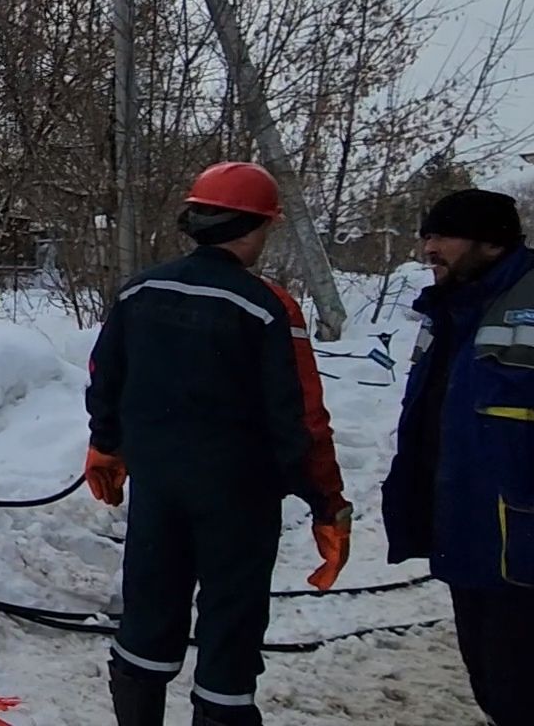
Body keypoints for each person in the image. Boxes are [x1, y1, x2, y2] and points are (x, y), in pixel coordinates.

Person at [86, 161, 350, 726]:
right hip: (239, 499)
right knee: (230, 625)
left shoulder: (140, 290)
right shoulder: (267, 306)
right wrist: (326, 502)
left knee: (149, 611)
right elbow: (301, 418)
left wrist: (106, 444)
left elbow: (105, 374)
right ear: (255, 227)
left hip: (159, 489)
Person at [381, 188, 534, 726]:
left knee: (530, 694)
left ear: (491, 242)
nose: (428, 248)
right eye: (426, 235)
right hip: (474, 542)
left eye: (441, 235)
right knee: (496, 687)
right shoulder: (452, 309)